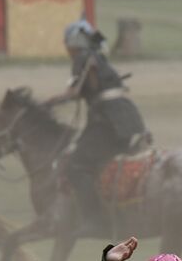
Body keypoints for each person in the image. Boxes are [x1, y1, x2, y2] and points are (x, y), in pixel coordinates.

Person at [46, 19, 149, 223]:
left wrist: (48, 103)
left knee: (75, 165)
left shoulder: (82, 58)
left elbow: (73, 92)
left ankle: (94, 219)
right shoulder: (99, 58)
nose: (68, 49)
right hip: (129, 119)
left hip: (107, 122)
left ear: (74, 43)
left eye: (68, 44)